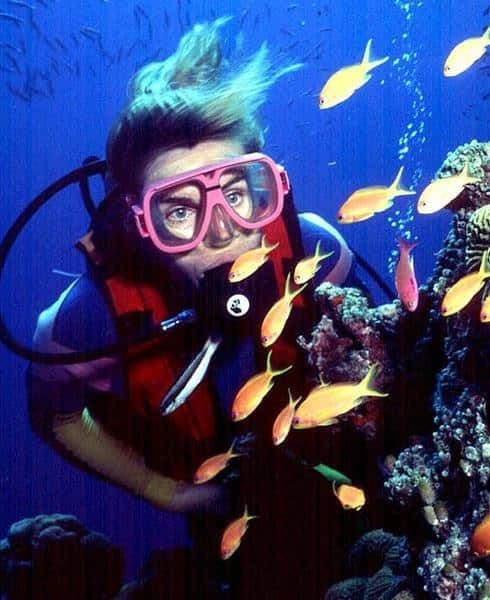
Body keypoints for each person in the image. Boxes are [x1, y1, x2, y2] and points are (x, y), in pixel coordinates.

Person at [25, 17, 368, 599]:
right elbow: (54, 415)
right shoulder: (86, 321)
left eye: (235, 193)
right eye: (180, 211)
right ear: (140, 225)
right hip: (222, 506)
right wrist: (168, 493)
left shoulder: (316, 251)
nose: (222, 232)